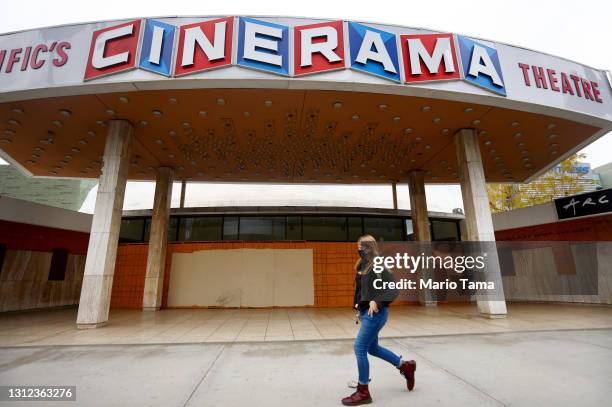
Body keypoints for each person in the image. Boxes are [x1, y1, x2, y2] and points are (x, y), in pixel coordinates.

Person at [341, 235, 417, 406]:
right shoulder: (363, 264)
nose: (359, 249)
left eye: (361, 246)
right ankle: (405, 366)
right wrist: (358, 307)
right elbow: (361, 290)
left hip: (376, 314)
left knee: (359, 347)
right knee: (373, 349)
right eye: (358, 246)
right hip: (366, 314)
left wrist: (377, 301)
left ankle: (363, 391)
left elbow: (393, 289)